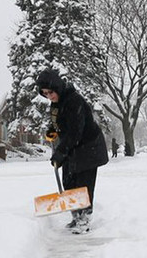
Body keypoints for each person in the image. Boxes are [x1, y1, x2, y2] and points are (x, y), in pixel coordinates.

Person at [36, 69, 109, 234]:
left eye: (51, 92)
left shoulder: (73, 101)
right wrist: (52, 130)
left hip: (88, 147)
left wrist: (61, 152)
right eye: (45, 93)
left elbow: (76, 131)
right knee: (69, 181)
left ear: (57, 87)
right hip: (73, 146)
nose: (49, 96)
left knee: (83, 185)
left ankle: (84, 220)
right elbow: (61, 122)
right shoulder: (57, 102)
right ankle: (76, 217)